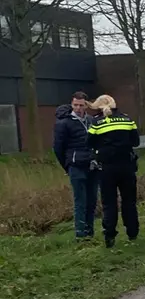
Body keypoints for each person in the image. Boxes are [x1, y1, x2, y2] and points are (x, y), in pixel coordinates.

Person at [86, 95, 140, 248]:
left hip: (107, 168)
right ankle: (133, 233)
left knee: (109, 204)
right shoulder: (127, 120)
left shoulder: (97, 123)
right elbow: (136, 142)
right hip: (127, 166)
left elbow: (89, 142)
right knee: (129, 202)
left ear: (99, 107)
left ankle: (109, 237)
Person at [53, 91, 99, 239]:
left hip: (92, 165)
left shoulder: (92, 120)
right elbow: (58, 147)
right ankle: (80, 233)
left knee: (92, 200)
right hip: (76, 165)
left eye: (81, 105)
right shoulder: (64, 123)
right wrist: (66, 165)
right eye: (75, 105)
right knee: (80, 200)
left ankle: (90, 231)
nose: (78, 108)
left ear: (86, 105)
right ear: (71, 105)